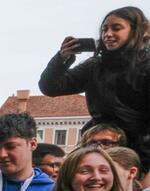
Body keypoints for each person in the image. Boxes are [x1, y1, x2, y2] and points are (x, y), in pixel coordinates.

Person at [39, 6, 150, 172]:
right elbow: (50, 87)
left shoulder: (146, 66)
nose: (108, 34)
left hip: (138, 150)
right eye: (104, 29)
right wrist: (62, 58)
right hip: (97, 144)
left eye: (116, 28)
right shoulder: (95, 66)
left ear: (135, 31)